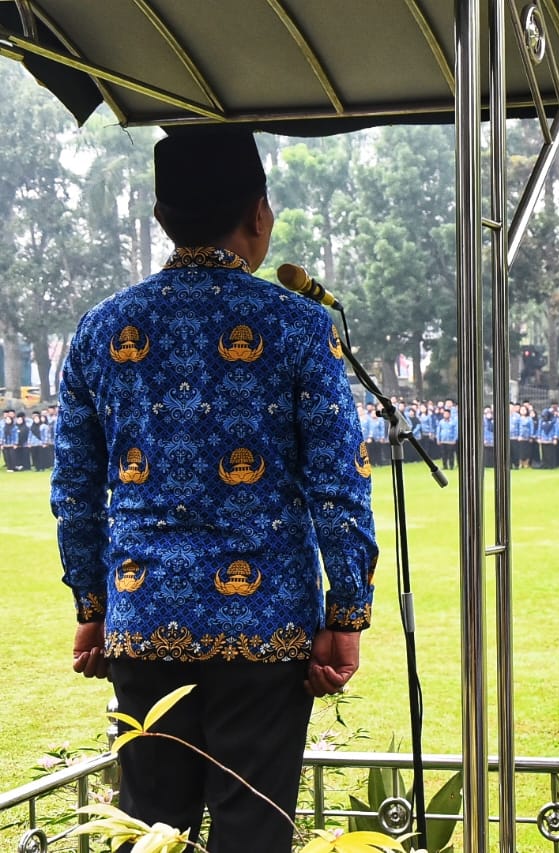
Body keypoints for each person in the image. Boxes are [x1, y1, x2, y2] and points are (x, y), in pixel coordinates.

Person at [50, 130, 378, 853]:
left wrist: (92, 604)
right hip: (262, 633)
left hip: (142, 616)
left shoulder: (101, 330)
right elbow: (338, 485)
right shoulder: (297, 325)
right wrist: (346, 612)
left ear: (164, 217)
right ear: (259, 216)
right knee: (252, 835)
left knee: (151, 833)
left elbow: (74, 490)